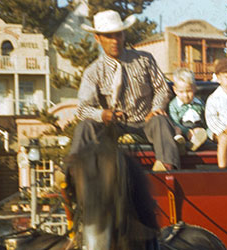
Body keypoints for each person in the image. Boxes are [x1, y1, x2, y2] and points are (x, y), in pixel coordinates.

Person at [71, 10, 179, 172]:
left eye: (118, 35)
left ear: (124, 35)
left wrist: (156, 108)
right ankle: (72, 171)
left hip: (145, 122)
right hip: (112, 126)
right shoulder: (93, 71)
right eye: (108, 36)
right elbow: (83, 109)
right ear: (98, 38)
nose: (115, 41)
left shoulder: (144, 60)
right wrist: (102, 115)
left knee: (160, 121)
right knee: (85, 127)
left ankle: (166, 167)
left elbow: (162, 89)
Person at [168, 67, 208, 151]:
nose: (185, 95)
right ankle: (179, 143)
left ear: (194, 88)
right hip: (182, 128)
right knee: (176, 130)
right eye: (181, 92)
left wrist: (205, 130)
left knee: (200, 132)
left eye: (189, 91)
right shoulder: (173, 105)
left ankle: (194, 144)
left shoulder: (199, 103)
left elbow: (206, 119)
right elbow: (174, 121)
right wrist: (187, 132)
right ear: (175, 90)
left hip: (197, 129)